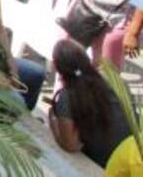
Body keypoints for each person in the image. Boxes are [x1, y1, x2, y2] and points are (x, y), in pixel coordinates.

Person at [49, 39, 135, 169]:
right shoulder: (110, 78)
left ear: (56, 66)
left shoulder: (67, 97)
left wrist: (52, 121)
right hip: (133, 149)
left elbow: (71, 145)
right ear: (86, 59)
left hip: (109, 162)